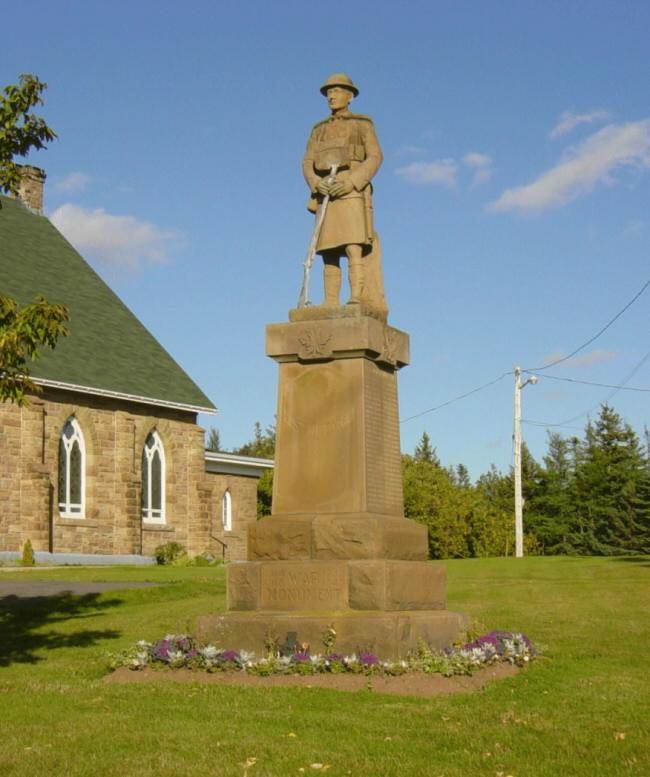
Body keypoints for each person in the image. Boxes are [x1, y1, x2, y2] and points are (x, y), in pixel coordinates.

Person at [302, 73, 385, 310]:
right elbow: (307, 162)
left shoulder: (362, 124)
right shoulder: (318, 130)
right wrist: (316, 184)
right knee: (328, 251)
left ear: (350, 96)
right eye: (329, 92)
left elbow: (375, 156)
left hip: (350, 190)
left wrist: (353, 182)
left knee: (353, 246)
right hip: (326, 192)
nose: (331, 96)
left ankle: (356, 297)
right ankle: (330, 301)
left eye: (337, 91)